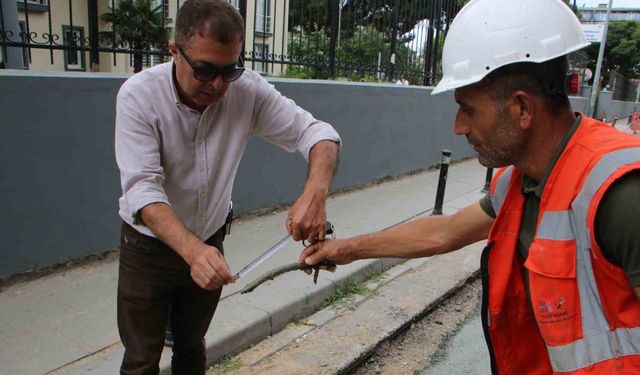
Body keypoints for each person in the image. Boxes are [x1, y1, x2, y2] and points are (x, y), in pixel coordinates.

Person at [299, 0, 640, 373]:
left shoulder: (621, 193)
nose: (458, 127)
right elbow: (445, 232)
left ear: (522, 108)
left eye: (469, 109)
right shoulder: (519, 181)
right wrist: (346, 249)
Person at [114, 0, 341, 373]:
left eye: (230, 70)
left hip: (210, 237)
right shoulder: (139, 96)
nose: (218, 84)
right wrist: (191, 250)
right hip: (147, 248)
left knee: (191, 348)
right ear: (174, 51)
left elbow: (318, 134)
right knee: (141, 360)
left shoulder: (247, 91)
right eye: (205, 70)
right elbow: (142, 189)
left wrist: (315, 194)